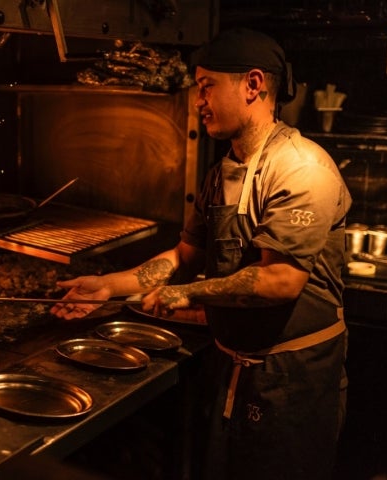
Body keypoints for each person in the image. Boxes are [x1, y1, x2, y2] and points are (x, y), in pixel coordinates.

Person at [52, 28, 351, 480]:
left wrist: (183, 297)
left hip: (292, 378)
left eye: (207, 85)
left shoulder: (301, 168)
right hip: (229, 366)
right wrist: (107, 287)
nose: (198, 100)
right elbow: (183, 256)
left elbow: (280, 281)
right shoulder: (221, 174)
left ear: (253, 85)